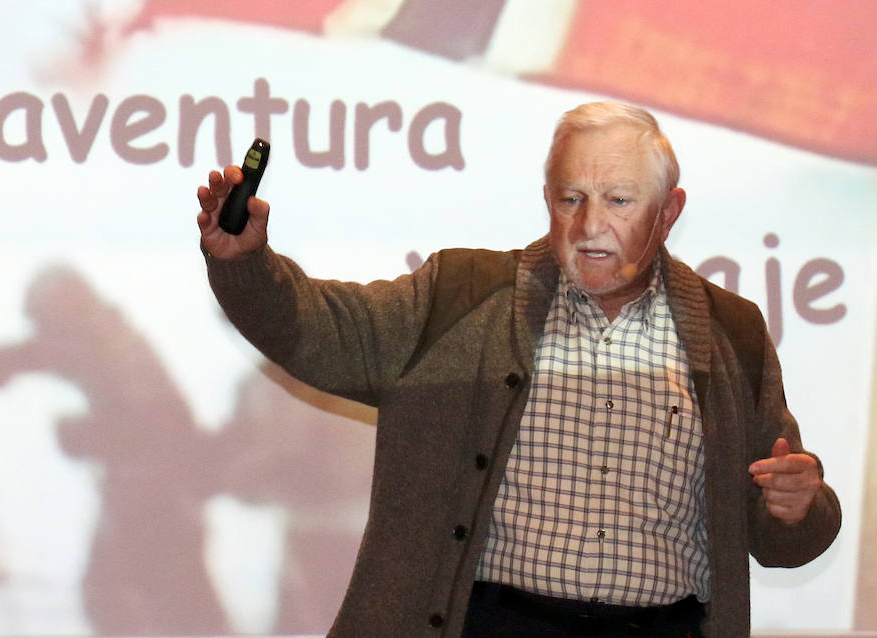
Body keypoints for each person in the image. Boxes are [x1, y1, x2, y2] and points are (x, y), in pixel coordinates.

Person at [196, 102, 841, 637]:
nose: (590, 225)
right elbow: (320, 329)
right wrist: (245, 264)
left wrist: (797, 506)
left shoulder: (733, 333)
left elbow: (784, 534)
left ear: (668, 212)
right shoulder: (461, 297)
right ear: (546, 200)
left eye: (619, 200)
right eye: (570, 198)